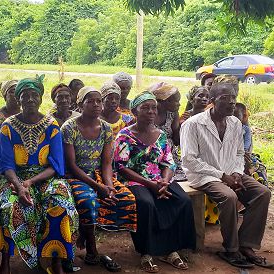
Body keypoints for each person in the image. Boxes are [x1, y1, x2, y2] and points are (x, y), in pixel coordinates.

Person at [0, 75, 78, 274]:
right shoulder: (8, 126)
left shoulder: (51, 125)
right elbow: (5, 164)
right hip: (14, 178)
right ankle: (6, 261)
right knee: (11, 206)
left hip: (45, 177)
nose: (30, 99)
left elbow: (55, 165)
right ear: (18, 99)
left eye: (34, 95)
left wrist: (30, 182)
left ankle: (55, 260)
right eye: (25, 95)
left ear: (40, 98)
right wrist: (20, 185)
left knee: (60, 205)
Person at [181, 82, 272, 269]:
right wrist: (222, 175)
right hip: (203, 175)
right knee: (229, 196)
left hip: (231, 172)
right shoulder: (193, 124)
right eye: (225, 98)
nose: (231, 103)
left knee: (262, 193)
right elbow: (189, 160)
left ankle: (247, 244)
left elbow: (239, 153)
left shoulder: (235, 123)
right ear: (212, 101)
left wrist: (237, 173)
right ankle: (231, 248)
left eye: (233, 98)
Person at [114, 92, 195, 273]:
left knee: (182, 200)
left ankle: (171, 250)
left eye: (153, 108)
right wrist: (150, 185)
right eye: (145, 107)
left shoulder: (161, 135)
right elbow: (121, 167)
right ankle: (146, 252)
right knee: (146, 203)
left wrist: (164, 182)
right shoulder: (124, 135)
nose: (151, 111)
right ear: (135, 111)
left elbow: (168, 162)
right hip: (134, 179)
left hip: (159, 179)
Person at [61, 87, 137, 272]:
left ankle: (87, 234)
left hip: (99, 175)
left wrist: (109, 186)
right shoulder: (69, 128)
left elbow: (106, 163)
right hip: (75, 176)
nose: (96, 105)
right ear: (79, 105)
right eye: (90, 101)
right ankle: (92, 248)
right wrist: (98, 186)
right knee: (88, 201)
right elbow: (71, 165)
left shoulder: (105, 128)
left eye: (98, 101)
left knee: (127, 199)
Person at [149, 82, 185, 182]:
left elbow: (177, 140)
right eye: (176, 101)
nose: (179, 104)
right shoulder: (149, 113)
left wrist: (181, 126)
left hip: (170, 156)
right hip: (151, 156)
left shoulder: (173, 114)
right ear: (166, 101)